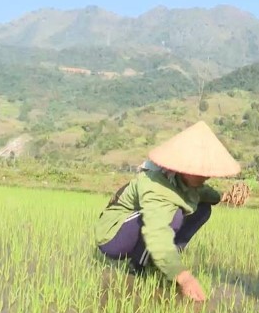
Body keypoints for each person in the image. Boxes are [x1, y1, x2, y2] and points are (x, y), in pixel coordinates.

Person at [95, 121, 240, 301]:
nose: (205, 175)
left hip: (142, 226)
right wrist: (183, 277)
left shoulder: (185, 182)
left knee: (202, 209)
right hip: (113, 236)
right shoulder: (156, 183)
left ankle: (165, 260)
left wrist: (224, 196)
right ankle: (138, 267)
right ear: (183, 167)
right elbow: (156, 232)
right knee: (173, 216)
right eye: (199, 170)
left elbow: (204, 193)